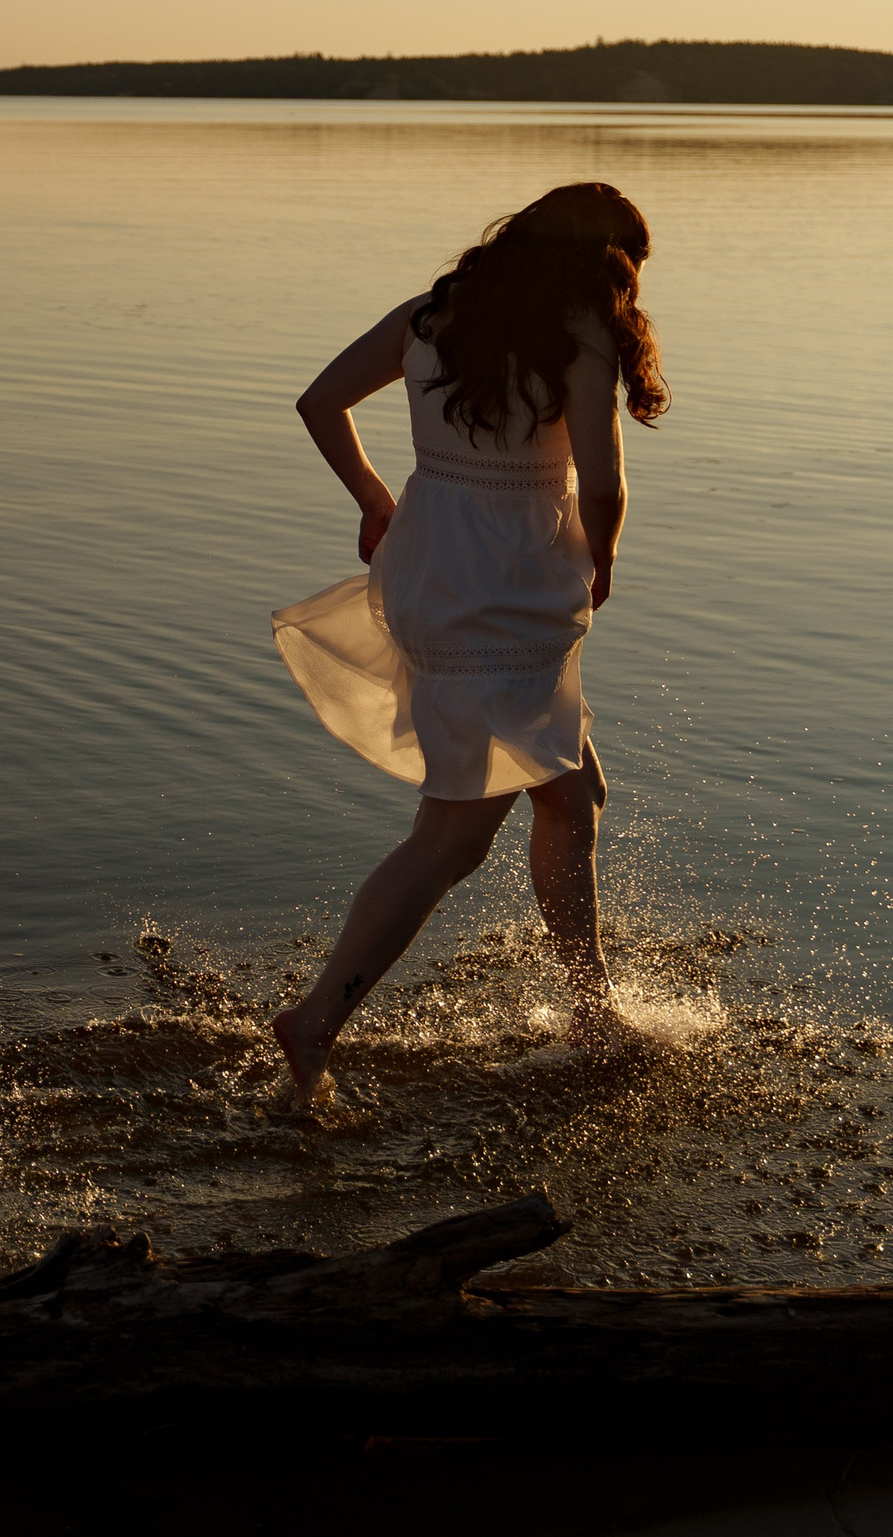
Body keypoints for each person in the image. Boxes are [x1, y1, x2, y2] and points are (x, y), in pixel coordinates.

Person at [268, 182, 671, 1101]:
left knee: (572, 792)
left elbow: (320, 402)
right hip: (507, 595)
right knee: (452, 837)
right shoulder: (580, 334)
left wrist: (378, 501)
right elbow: (603, 486)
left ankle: (591, 1010)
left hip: (431, 573)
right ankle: (316, 1017)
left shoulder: (433, 317)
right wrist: (600, 563)